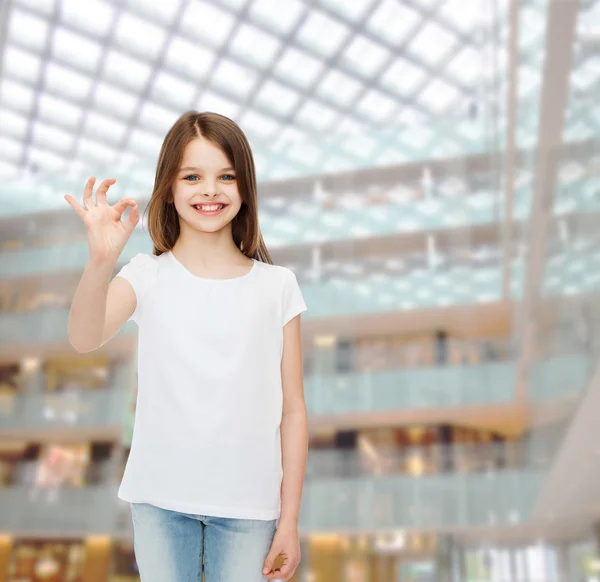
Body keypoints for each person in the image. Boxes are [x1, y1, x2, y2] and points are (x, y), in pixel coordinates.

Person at [65, 112, 308, 581]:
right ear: (169, 189)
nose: (210, 190)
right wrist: (100, 262)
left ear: (245, 188)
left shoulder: (277, 286)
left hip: (249, 507)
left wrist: (290, 520)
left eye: (226, 177)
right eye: (192, 176)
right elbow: (83, 337)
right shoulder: (146, 274)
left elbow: (293, 411)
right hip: (159, 501)